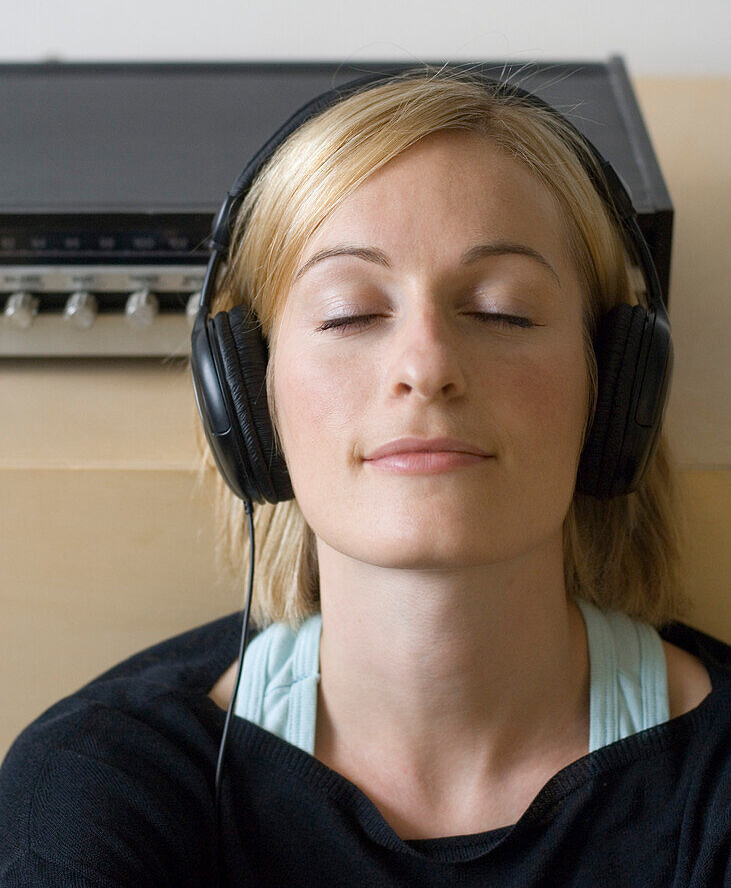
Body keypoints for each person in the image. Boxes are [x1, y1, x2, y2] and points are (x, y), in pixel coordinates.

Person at [0, 67, 728, 887]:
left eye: (500, 311)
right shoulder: (94, 786)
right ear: (246, 395)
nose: (426, 367)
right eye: (348, 313)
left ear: (615, 384)